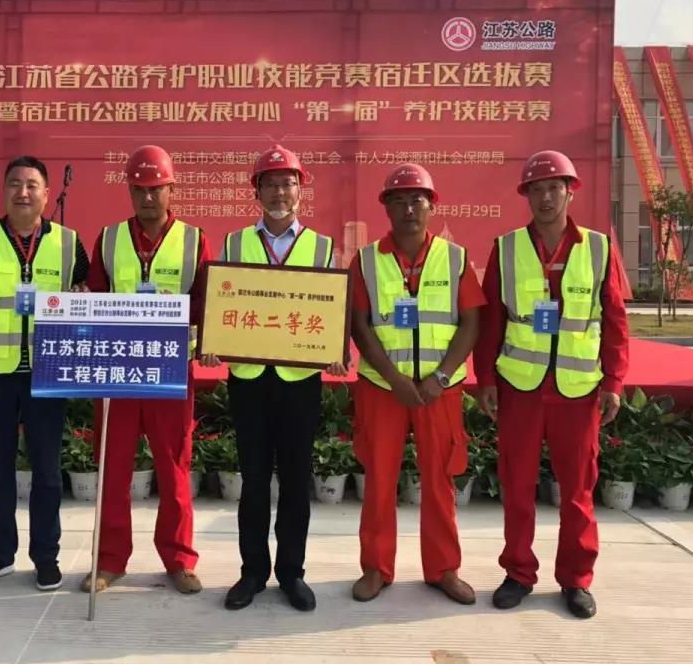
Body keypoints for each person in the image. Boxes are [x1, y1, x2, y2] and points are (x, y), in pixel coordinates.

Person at [474, 150, 629, 619]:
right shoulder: (506, 249)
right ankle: (518, 573)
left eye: (554, 188)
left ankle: (576, 578)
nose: (545, 197)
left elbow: (616, 319)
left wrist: (614, 380)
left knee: (578, 491)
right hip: (520, 387)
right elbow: (492, 320)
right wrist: (486, 378)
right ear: (526, 195)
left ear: (570, 191)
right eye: (537, 189)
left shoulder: (598, 248)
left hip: (577, 391)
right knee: (517, 486)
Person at [201, 144, 347, 612]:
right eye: (271, 183)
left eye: (288, 183)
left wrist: (336, 349)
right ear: (257, 191)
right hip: (249, 378)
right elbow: (221, 303)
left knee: (297, 478)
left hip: (300, 378)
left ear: (300, 190)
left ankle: (292, 572)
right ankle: (252, 572)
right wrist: (213, 339)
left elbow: (332, 308)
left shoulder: (322, 247)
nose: (280, 192)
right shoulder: (235, 243)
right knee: (254, 479)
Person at [81, 144, 213, 595]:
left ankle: (179, 560)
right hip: (118, 371)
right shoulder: (109, 239)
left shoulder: (194, 240)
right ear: (129, 191)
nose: (148, 197)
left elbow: (207, 303)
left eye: (157, 188)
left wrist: (210, 344)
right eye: (139, 189)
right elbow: (95, 300)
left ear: (172, 188)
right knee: (113, 468)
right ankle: (109, 560)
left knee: (174, 468)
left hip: (170, 371)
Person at [348, 163, 481, 605]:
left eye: (417, 200)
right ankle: (375, 567)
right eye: (399, 200)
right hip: (382, 390)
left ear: (432, 205)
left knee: (440, 480)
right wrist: (395, 379)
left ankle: (443, 569)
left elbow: (471, 322)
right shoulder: (366, 260)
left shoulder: (455, 258)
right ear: (386, 207)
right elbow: (360, 326)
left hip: (438, 391)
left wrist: (440, 378)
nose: (408, 208)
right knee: (379, 479)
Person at [0, 156, 90, 592]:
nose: (23, 192)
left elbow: (85, 293)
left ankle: (46, 558)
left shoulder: (69, 243)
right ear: (3, 191)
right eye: (15, 183)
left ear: (46, 193)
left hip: (48, 370)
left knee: (47, 471)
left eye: (32, 185)